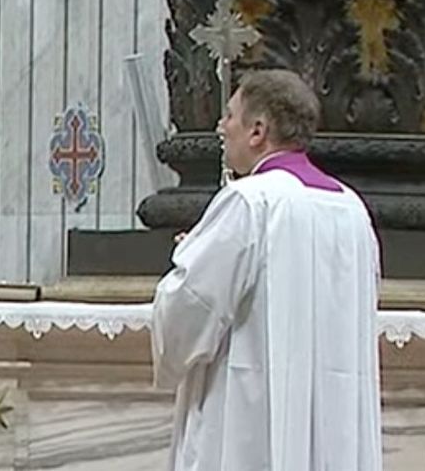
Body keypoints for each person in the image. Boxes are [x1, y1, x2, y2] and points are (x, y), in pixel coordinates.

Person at [152, 69, 381, 471]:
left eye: (230, 116)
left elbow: (192, 302)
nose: (222, 127)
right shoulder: (352, 208)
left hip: (250, 411)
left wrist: (189, 257)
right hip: (335, 414)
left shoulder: (249, 201)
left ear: (258, 130)